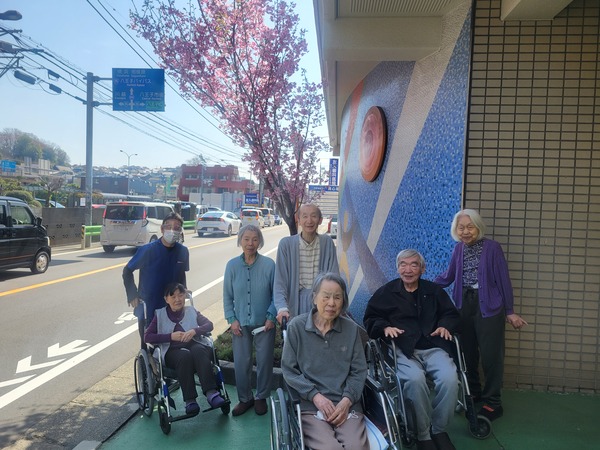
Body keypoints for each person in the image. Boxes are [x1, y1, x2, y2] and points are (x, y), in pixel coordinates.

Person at [434, 209, 527, 422]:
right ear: (456, 230)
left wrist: (510, 311)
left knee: (491, 355)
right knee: (467, 353)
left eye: (470, 227)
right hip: (463, 306)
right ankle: (473, 393)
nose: (465, 232)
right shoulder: (458, 249)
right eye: (461, 228)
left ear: (478, 227)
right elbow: (448, 276)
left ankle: (493, 402)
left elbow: (503, 280)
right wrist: (424, 286)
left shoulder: (492, 248)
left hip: (489, 307)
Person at [364, 249, 460, 450]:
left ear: (422, 269)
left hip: (433, 346)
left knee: (450, 379)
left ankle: (439, 429)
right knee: (415, 380)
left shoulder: (434, 291)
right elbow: (371, 317)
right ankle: (423, 434)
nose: (408, 270)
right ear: (397, 268)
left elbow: (450, 313)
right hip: (402, 349)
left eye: (414, 265)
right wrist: (384, 327)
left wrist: (445, 325)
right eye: (403, 264)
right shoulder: (386, 293)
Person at [281, 272, 369, 450]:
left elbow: (359, 371)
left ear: (343, 301)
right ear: (314, 298)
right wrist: (315, 396)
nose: (331, 303)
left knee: (357, 446)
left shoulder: (351, 329)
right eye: (326, 296)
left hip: (347, 405)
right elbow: (289, 370)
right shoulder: (297, 327)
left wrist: (347, 400)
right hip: (311, 407)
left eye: (337, 297)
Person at [144, 282, 226, 414]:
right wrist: (170, 336)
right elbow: (147, 337)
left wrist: (194, 331)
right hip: (171, 351)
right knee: (184, 356)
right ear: (166, 299)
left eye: (180, 295)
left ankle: (211, 393)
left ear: (184, 296)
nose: (177, 299)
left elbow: (209, 325)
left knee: (199, 350)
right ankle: (190, 401)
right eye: (173, 296)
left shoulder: (191, 311)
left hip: (193, 344)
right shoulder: (159, 315)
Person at [223, 225, 277, 416]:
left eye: (254, 239)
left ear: (260, 241)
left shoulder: (269, 265)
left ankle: (261, 397)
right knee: (241, 363)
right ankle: (245, 399)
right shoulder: (231, 266)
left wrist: (271, 316)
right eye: (246, 239)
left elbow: (276, 294)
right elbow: (227, 296)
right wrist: (231, 319)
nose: (250, 243)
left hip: (265, 324)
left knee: (264, 362)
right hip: (240, 324)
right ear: (240, 241)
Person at [123, 212, 189, 347]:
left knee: (172, 340)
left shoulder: (183, 251)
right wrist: (132, 294)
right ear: (162, 229)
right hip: (149, 302)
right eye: (168, 227)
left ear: (180, 231)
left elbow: (181, 274)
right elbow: (127, 271)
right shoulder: (148, 250)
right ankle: (144, 353)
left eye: (177, 227)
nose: (172, 230)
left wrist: (184, 290)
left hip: (171, 302)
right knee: (147, 337)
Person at [274, 204, 339, 324]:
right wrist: (282, 308)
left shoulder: (327, 242)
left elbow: (334, 277)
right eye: (305, 216)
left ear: (320, 220)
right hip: (295, 303)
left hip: (322, 303)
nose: (309, 221)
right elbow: (280, 281)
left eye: (313, 216)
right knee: (296, 333)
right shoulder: (286, 245)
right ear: (298, 220)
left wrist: (336, 303)